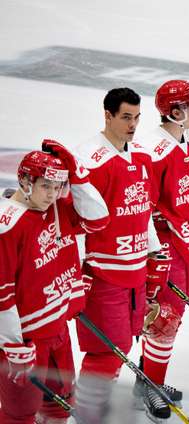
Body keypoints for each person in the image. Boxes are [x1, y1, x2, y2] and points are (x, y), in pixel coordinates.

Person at [0, 146, 105, 424]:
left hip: (58, 331)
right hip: (26, 341)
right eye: (46, 185)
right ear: (24, 181)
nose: (52, 194)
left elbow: (99, 219)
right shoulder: (7, 226)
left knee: (59, 409)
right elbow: (2, 293)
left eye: (58, 186)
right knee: (19, 415)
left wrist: (79, 177)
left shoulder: (57, 208)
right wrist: (12, 344)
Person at [73, 88, 160, 424]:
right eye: (126, 117)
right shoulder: (88, 161)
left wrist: (155, 252)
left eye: (137, 117)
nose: (133, 125)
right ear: (107, 115)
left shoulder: (141, 156)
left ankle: (96, 406)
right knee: (105, 352)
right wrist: (78, 272)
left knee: (123, 345)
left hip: (135, 270)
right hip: (103, 274)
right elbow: (76, 223)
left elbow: (142, 211)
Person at [136, 80, 189, 422]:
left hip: (185, 241)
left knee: (179, 307)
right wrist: (154, 252)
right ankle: (152, 384)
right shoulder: (152, 151)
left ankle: (145, 373)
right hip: (165, 244)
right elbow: (142, 208)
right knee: (166, 316)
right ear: (177, 112)